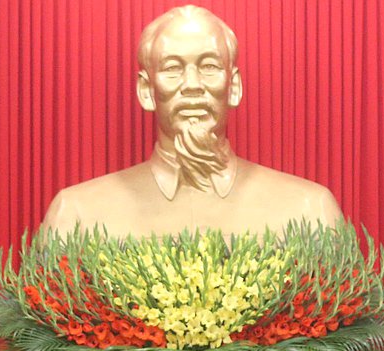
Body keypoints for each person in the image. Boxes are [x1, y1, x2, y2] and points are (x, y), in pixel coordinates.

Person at [41, 5, 343, 238]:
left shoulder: (310, 211)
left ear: (234, 86)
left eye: (209, 66)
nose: (192, 84)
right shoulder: (77, 215)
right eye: (172, 68)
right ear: (146, 90)